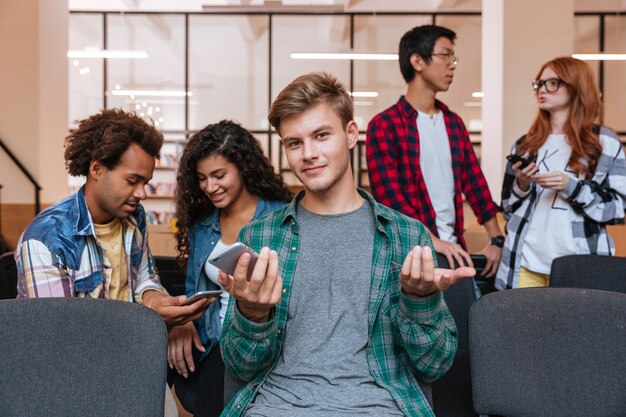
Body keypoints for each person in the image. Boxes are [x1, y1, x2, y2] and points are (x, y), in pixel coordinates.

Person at [217, 71, 476, 417]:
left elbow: (434, 366)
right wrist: (252, 314)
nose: (309, 154)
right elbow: (241, 367)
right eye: (295, 143)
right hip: (275, 406)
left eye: (322, 135)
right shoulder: (261, 238)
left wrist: (420, 301)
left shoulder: (406, 236)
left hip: (378, 407)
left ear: (351, 134)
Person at [14, 108, 212, 416]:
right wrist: (150, 320)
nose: (143, 193)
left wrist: (158, 302)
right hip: (71, 378)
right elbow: (59, 341)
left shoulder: (134, 216)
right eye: (133, 180)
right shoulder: (46, 240)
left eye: (146, 181)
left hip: (128, 357)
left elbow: (145, 275)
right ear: (96, 169)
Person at [169, 120, 292, 416]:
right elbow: (192, 291)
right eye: (201, 178)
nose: (210, 187)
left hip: (265, 347)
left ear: (244, 168)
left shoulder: (281, 218)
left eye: (219, 175)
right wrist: (181, 322)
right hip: (211, 347)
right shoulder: (203, 226)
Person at [366, 24, 504, 276]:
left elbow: (475, 184)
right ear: (417, 61)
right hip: (408, 256)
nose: (452, 64)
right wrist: (433, 241)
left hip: (454, 252)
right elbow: (391, 202)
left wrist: (496, 240)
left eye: (454, 57)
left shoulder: (453, 123)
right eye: (445, 55)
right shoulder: (384, 126)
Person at [496, 56, 626, 290]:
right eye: (539, 83)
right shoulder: (525, 145)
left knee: (576, 327)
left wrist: (571, 187)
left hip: (580, 263)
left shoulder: (604, 142)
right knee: (521, 326)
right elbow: (507, 208)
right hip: (525, 260)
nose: (542, 89)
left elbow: (618, 209)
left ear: (576, 86)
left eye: (552, 82)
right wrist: (522, 185)